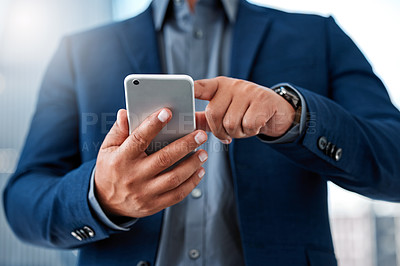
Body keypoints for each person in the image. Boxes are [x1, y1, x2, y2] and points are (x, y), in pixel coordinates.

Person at [3, 0, 400, 265]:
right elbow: (23, 201)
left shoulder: (318, 37)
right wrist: (100, 198)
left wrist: (295, 115)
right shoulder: (80, 51)